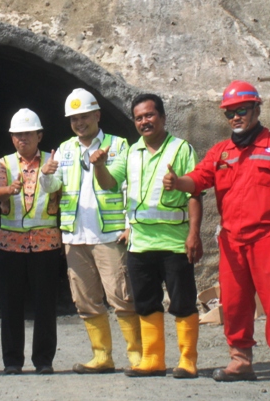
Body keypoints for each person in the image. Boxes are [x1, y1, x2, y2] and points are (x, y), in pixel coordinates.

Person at [165, 80, 270, 389]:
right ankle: (240, 360)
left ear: (257, 108)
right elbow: (199, 180)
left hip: (269, 238)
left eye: (241, 110)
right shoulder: (221, 152)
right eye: (229, 113)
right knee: (235, 302)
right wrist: (178, 182)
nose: (235, 118)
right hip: (232, 241)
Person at [93, 94, 203, 379]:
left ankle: (187, 360)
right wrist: (99, 165)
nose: (145, 121)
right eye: (139, 117)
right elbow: (109, 183)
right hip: (140, 243)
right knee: (145, 302)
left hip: (175, 242)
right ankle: (153, 359)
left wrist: (194, 234)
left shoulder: (181, 149)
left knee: (182, 302)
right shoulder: (131, 152)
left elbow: (194, 194)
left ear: (163, 117)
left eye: (150, 115)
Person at [41, 88, 141, 374]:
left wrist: (128, 225)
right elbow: (54, 188)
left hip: (109, 235)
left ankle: (137, 357)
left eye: (84, 116)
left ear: (97, 115)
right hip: (75, 236)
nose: (79, 123)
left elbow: (127, 188)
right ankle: (102, 357)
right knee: (85, 300)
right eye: (74, 118)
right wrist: (46, 175)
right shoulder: (64, 148)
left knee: (121, 297)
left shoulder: (119, 145)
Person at [0, 108, 62, 375]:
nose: (23, 139)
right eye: (18, 135)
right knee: (11, 304)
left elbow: (59, 188)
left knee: (45, 304)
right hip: (10, 244)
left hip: (46, 244)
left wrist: (48, 173)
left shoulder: (54, 161)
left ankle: (43, 361)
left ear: (39, 135)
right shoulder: (3, 164)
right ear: (12, 138)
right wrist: (8, 190)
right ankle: (12, 361)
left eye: (28, 134)